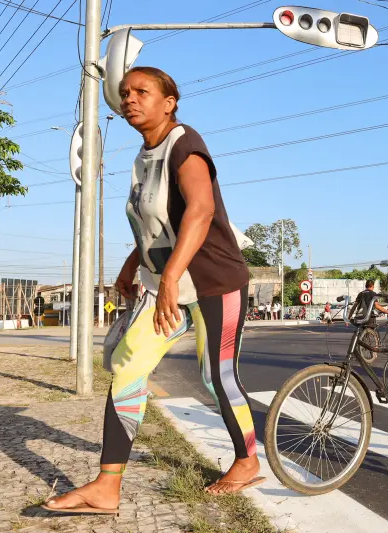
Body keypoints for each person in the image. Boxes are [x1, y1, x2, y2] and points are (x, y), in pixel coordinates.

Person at [44, 67, 262, 514]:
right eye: (125, 93)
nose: (129, 99)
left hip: (215, 282)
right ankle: (107, 486)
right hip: (165, 283)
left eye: (142, 91)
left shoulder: (185, 145)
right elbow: (154, 224)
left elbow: (199, 213)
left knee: (215, 376)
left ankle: (247, 460)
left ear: (170, 102)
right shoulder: (145, 156)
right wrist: (132, 264)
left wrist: (167, 280)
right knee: (128, 367)